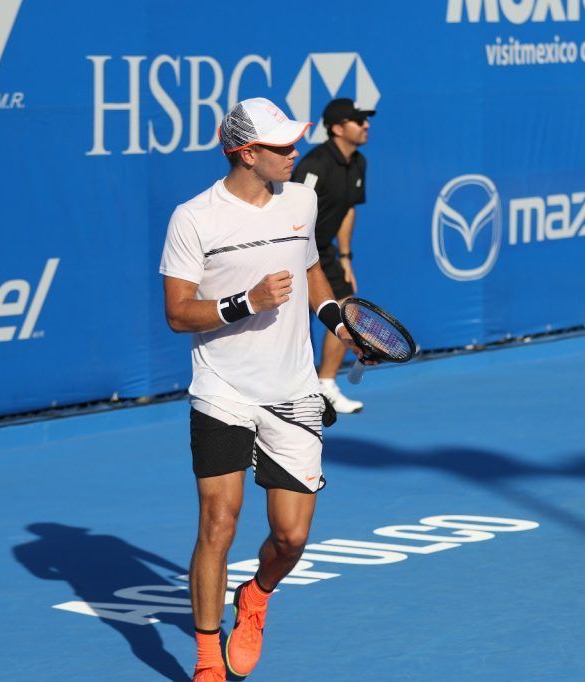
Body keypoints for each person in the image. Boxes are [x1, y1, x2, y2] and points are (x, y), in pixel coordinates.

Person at [160, 97, 369, 681]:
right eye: (281, 146)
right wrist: (243, 303)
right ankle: (206, 659)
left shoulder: (300, 197)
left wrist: (339, 323)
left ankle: (254, 596)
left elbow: (310, 272)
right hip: (223, 388)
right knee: (218, 522)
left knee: (291, 536)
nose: (294, 152)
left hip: (293, 390)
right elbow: (177, 312)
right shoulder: (194, 217)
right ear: (246, 153)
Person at [291, 98, 375, 412]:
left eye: (366, 120)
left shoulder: (358, 163)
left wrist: (345, 257)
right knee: (293, 320)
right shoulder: (314, 165)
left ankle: (325, 383)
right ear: (338, 129)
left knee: (346, 310)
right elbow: (291, 207)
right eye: (358, 120)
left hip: (323, 251)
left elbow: (347, 211)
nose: (366, 125)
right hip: (294, 249)